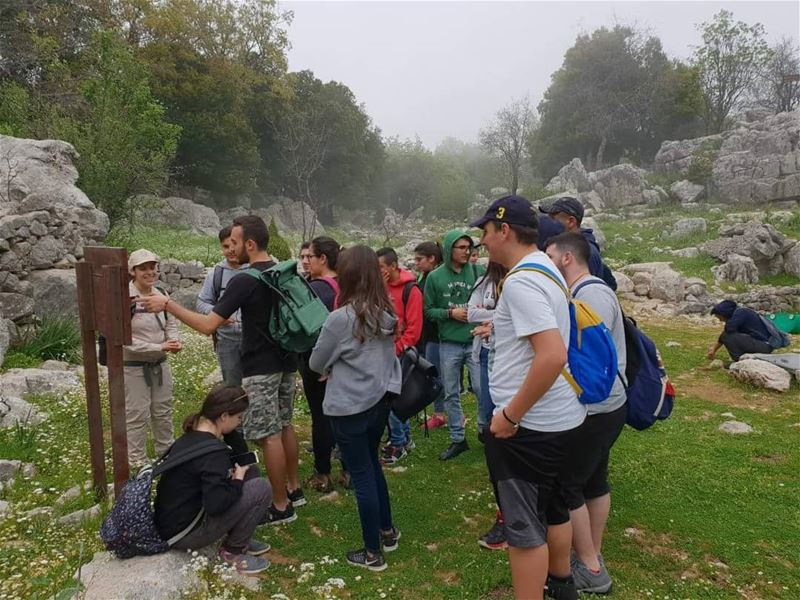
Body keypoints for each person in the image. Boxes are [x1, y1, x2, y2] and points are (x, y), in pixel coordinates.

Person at [137, 215, 303, 525]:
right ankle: (294, 489)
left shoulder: (244, 279)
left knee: (269, 437)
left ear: (250, 244)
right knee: (285, 425)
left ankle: (281, 506)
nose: (231, 249)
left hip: (261, 367)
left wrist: (169, 305)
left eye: (236, 243)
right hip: (286, 362)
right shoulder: (282, 270)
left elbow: (207, 325)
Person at [472, 195, 587, 600]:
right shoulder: (547, 270)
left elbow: (552, 354)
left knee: (524, 530)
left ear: (504, 230)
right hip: (560, 420)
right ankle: (561, 583)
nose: (482, 241)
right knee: (555, 508)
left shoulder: (521, 280)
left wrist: (510, 415)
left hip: (530, 428)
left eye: (485, 232)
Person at [309, 245, 402, 572]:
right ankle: (387, 531)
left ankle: (373, 553)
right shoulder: (386, 312)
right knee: (372, 465)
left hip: (348, 408)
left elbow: (316, 361)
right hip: (378, 403)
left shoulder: (340, 318)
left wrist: (331, 366)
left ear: (345, 275)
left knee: (361, 473)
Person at [546, 232, 628, 594]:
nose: (546, 261)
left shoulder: (588, 294)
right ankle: (591, 553)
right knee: (594, 480)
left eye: (549, 255)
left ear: (566, 258)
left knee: (569, 485)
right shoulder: (594, 290)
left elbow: (587, 359)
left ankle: (592, 568)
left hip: (595, 407)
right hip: (610, 404)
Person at [154, 385, 272, 574]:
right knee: (261, 487)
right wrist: (237, 482)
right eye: (239, 418)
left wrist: (228, 431)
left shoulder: (192, 436)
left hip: (172, 522)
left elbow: (242, 458)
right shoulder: (214, 453)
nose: (240, 423)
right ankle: (232, 552)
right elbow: (216, 505)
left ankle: (239, 535)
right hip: (185, 534)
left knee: (251, 471)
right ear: (224, 416)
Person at [423, 230, 482, 461]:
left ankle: (484, 429)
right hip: (449, 343)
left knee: (480, 388)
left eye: (469, 248)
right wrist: (450, 313)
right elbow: (428, 311)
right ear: (449, 250)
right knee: (451, 392)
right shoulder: (435, 278)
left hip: (475, 340)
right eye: (461, 247)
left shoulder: (478, 271)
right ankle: (458, 438)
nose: (466, 252)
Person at [124, 249, 182, 470]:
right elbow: (123, 339)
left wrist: (174, 341)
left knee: (163, 410)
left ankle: (166, 454)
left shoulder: (161, 293)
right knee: (137, 413)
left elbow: (170, 323)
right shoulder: (125, 298)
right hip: (133, 366)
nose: (149, 272)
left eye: (152, 267)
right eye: (143, 268)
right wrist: (160, 346)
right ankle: (137, 462)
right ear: (133, 271)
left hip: (160, 363)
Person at [196, 226, 249, 456]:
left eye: (232, 245)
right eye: (225, 246)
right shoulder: (216, 273)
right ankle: (237, 430)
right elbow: (202, 302)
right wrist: (219, 312)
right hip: (227, 340)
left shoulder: (253, 270)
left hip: (253, 339)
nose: (229, 250)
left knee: (253, 384)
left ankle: (252, 425)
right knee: (232, 385)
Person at [300, 236, 342, 492]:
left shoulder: (315, 289)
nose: (307, 261)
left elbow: (305, 330)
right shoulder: (347, 284)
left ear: (323, 259)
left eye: (311, 257)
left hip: (318, 365)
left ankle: (323, 473)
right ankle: (348, 471)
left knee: (321, 417)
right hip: (345, 363)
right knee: (343, 416)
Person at [377, 247, 423, 465]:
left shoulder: (411, 290)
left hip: (401, 354)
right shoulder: (381, 288)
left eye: (381, 267)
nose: (378, 272)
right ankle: (404, 439)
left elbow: (414, 329)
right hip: (385, 353)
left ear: (393, 266)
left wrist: (396, 349)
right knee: (394, 399)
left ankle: (397, 444)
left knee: (393, 401)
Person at [541, 196, 617, 290]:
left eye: (553, 218)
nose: (549, 223)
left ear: (571, 221)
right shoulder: (570, 246)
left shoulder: (585, 253)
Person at [468, 261, 507, 436]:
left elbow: (519, 312)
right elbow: (472, 314)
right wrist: (503, 314)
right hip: (485, 350)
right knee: (486, 400)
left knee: (505, 399)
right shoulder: (483, 282)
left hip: (506, 351)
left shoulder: (515, 281)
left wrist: (492, 315)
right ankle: (488, 434)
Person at [414, 241, 446, 430]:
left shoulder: (436, 279)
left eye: (420, 259)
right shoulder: (424, 276)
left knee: (437, 375)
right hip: (425, 335)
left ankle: (440, 413)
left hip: (435, 335)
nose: (416, 263)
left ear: (432, 259)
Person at [708, 300, 776, 361]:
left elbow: (727, 332)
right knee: (728, 334)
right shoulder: (740, 313)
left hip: (764, 345)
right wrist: (714, 349)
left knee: (727, 335)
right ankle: (746, 358)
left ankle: (740, 360)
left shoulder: (740, 313)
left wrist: (714, 349)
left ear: (724, 313)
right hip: (763, 345)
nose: (720, 320)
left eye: (720, 317)